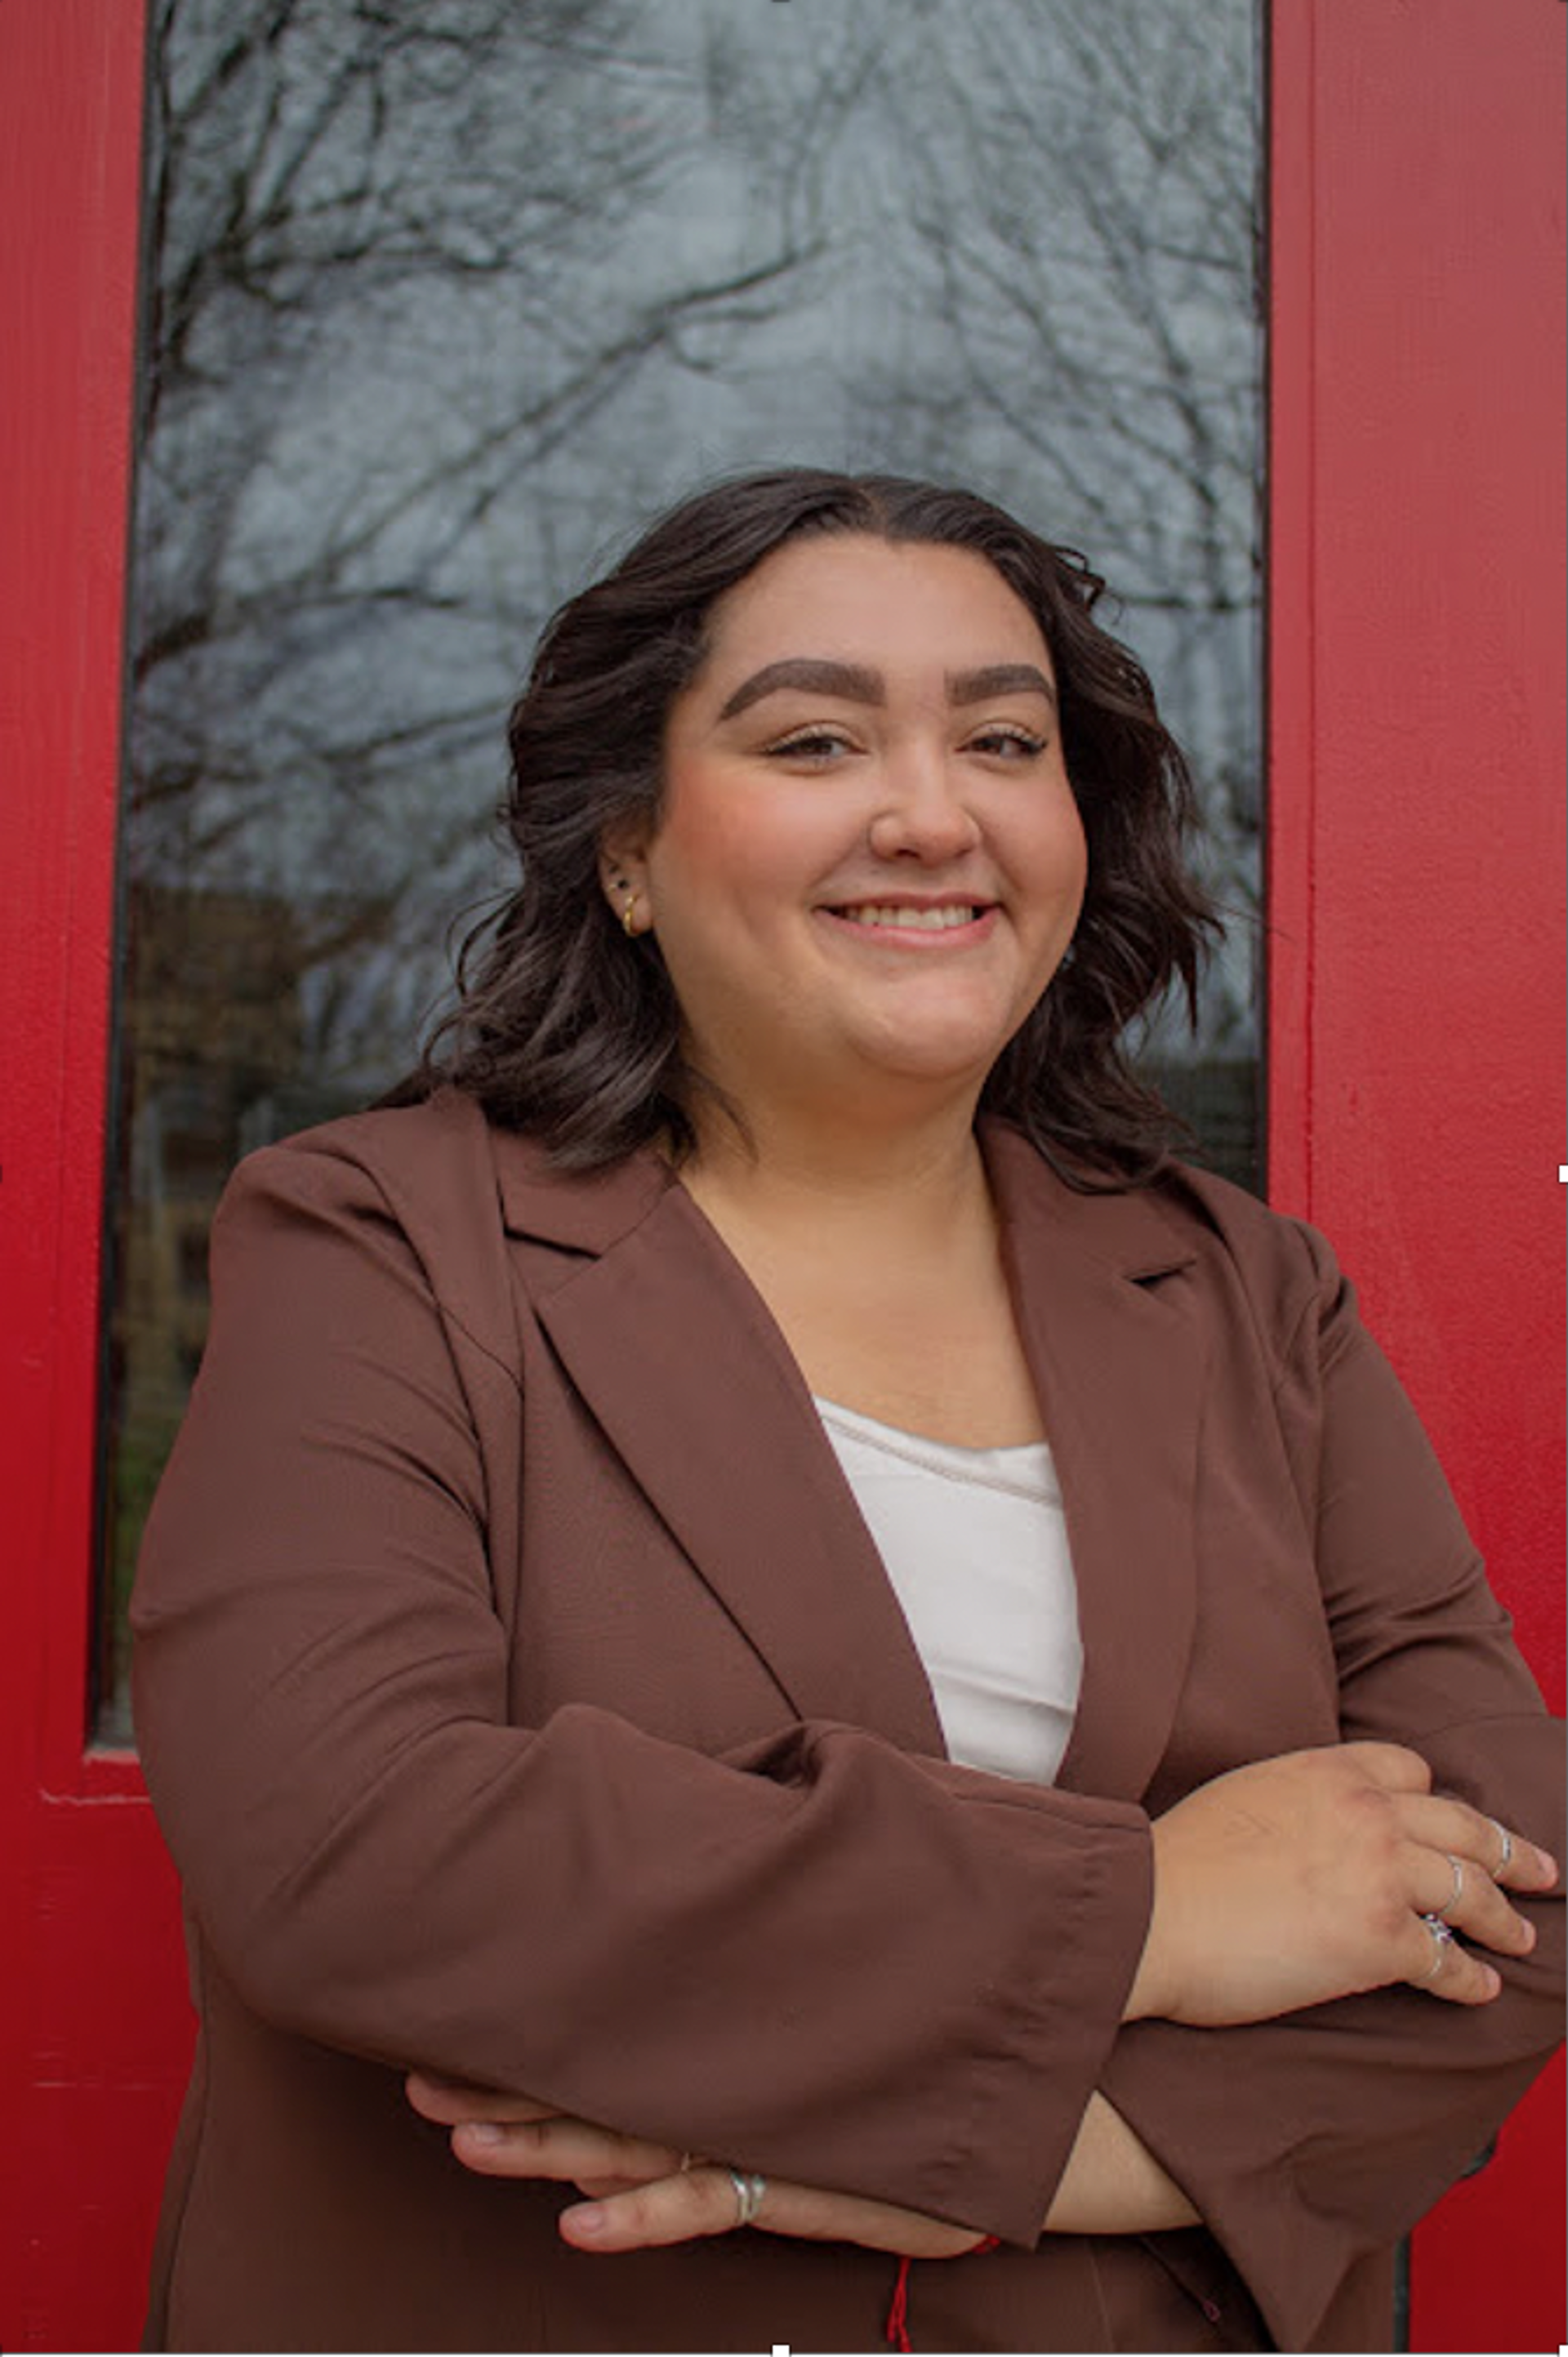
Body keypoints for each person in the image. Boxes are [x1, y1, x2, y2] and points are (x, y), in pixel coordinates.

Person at [131, 470, 1563, 2355]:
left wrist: (1048, 2166)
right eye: (814, 736)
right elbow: (351, 1845)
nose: (930, 811)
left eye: (1003, 738)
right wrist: (1148, 1913)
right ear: (625, 850)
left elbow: (1515, 1880)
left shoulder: (1246, 1298)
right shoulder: (383, 1242)